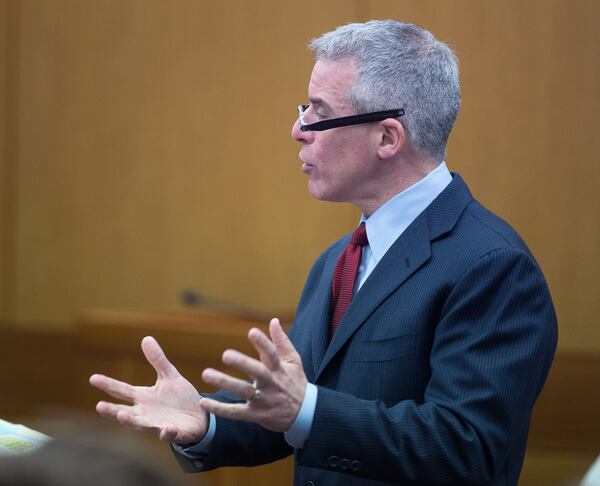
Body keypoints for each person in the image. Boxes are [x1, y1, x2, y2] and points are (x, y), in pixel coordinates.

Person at [89, 20, 557, 485]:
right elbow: (291, 414)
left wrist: (305, 410)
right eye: (303, 108)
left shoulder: (492, 265)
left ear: (387, 138)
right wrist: (205, 420)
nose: (298, 130)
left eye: (318, 111)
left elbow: (465, 447)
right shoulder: (340, 258)